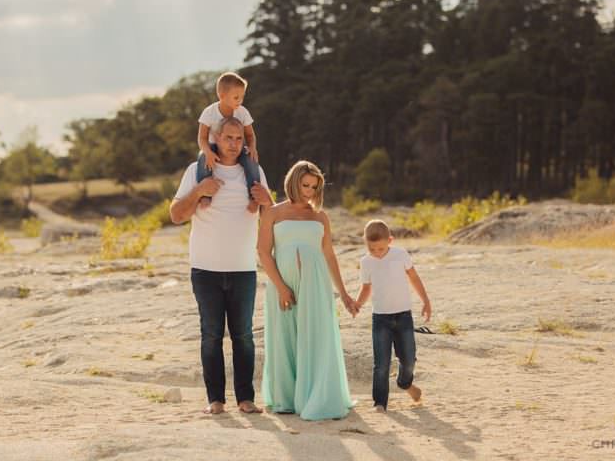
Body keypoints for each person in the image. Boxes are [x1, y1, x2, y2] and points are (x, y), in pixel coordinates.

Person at [170, 116, 273, 415]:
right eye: (227, 138)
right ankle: (215, 399)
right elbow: (176, 215)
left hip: (243, 268)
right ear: (214, 137)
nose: (233, 144)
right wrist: (199, 190)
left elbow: (270, 218)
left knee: (243, 336)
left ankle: (246, 399)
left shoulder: (254, 172)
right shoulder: (197, 170)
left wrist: (268, 200)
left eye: (239, 138)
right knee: (211, 335)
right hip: (205, 268)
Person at [257, 160, 357, 420]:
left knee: (316, 336)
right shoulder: (273, 212)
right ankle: (286, 398)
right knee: (284, 337)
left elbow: (329, 255)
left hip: (316, 284)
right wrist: (281, 287)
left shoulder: (320, 216)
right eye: (305, 185)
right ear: (293, 181)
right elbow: (263, 252)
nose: (309, 191)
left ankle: (314, 395)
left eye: (314, 187)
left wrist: (344, 293)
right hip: (282, 284)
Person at [354, 219, 433, 411]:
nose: (377, 253)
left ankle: (405, 383)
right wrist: (357, 304)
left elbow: (413, 277)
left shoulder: (400, 254)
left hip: (403, 317)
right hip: (380, 319)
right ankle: (380, 403)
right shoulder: (366, 262)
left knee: (409, 359)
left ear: (390, 240)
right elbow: (366, 288)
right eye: (372, 249)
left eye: (380, 249)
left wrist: (426, 301)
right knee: (381, 363)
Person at [195, 71, 261, 210]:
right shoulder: (209, 112)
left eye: (242, 97)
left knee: (251, 159)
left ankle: (254, 196)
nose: (240, 101)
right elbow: (201, 138)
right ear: (222, 95)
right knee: (202, 158)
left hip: (236, 146)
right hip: (213, 146)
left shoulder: (242, 112)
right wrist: (207, 152)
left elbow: (250, 135)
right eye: (236, 97)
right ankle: (205, 196)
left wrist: (252, 147)